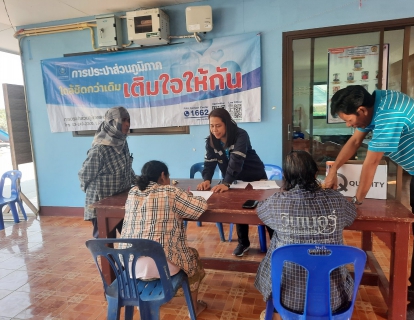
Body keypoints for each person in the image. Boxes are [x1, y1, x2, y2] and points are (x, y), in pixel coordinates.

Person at [324, 85, 414, 319]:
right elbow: (353, 143)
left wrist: (356, 202)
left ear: (361, 110)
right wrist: (333, 170)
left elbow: (371, 163)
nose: (349, 125)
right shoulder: (374, 105)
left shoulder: (390, 113)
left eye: (349, 120)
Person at [255, 150, 357, 317]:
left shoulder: (277, 202)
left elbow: (261, 211)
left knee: (277, 244)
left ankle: (273, 309)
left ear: (285, 176)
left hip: (287, 300)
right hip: (335, 298)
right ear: (316, 174)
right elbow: (351, 214)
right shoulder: (336, 199)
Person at [119, 160, 208, 316]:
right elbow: (199, 208)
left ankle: (142, 305)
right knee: (192, 257)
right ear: (163, 176)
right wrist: (190, 196)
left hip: (130, 265)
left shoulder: (132, 193)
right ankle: (193, 309)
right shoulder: (170, 191)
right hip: (163, 267)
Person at [196, 108, 273, 257]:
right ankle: (243, 243)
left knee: (266, 208)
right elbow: (209, 163)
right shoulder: (211, 141)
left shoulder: (240, 135)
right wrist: (207, 179)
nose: (214, 130)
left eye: (218, 125)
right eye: (211, 126)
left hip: (255, 177)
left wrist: (226, 182)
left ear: (227, 124)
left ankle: (275, 241)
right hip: (234, 181)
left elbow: (236, 160)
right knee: (238, 207)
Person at [78, 106, 136, 238]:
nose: (127, 124)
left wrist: (141, 181)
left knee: (131, 235)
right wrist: (94, 196)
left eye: (128, 120)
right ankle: (108, 260)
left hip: (120, 202)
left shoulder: (122, 143)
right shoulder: (100, 149)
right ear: (112, 123)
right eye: (123, 121)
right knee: (105, 241)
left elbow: (126, 169)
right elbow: (84, 175)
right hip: (102, 204)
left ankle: (128, 259)